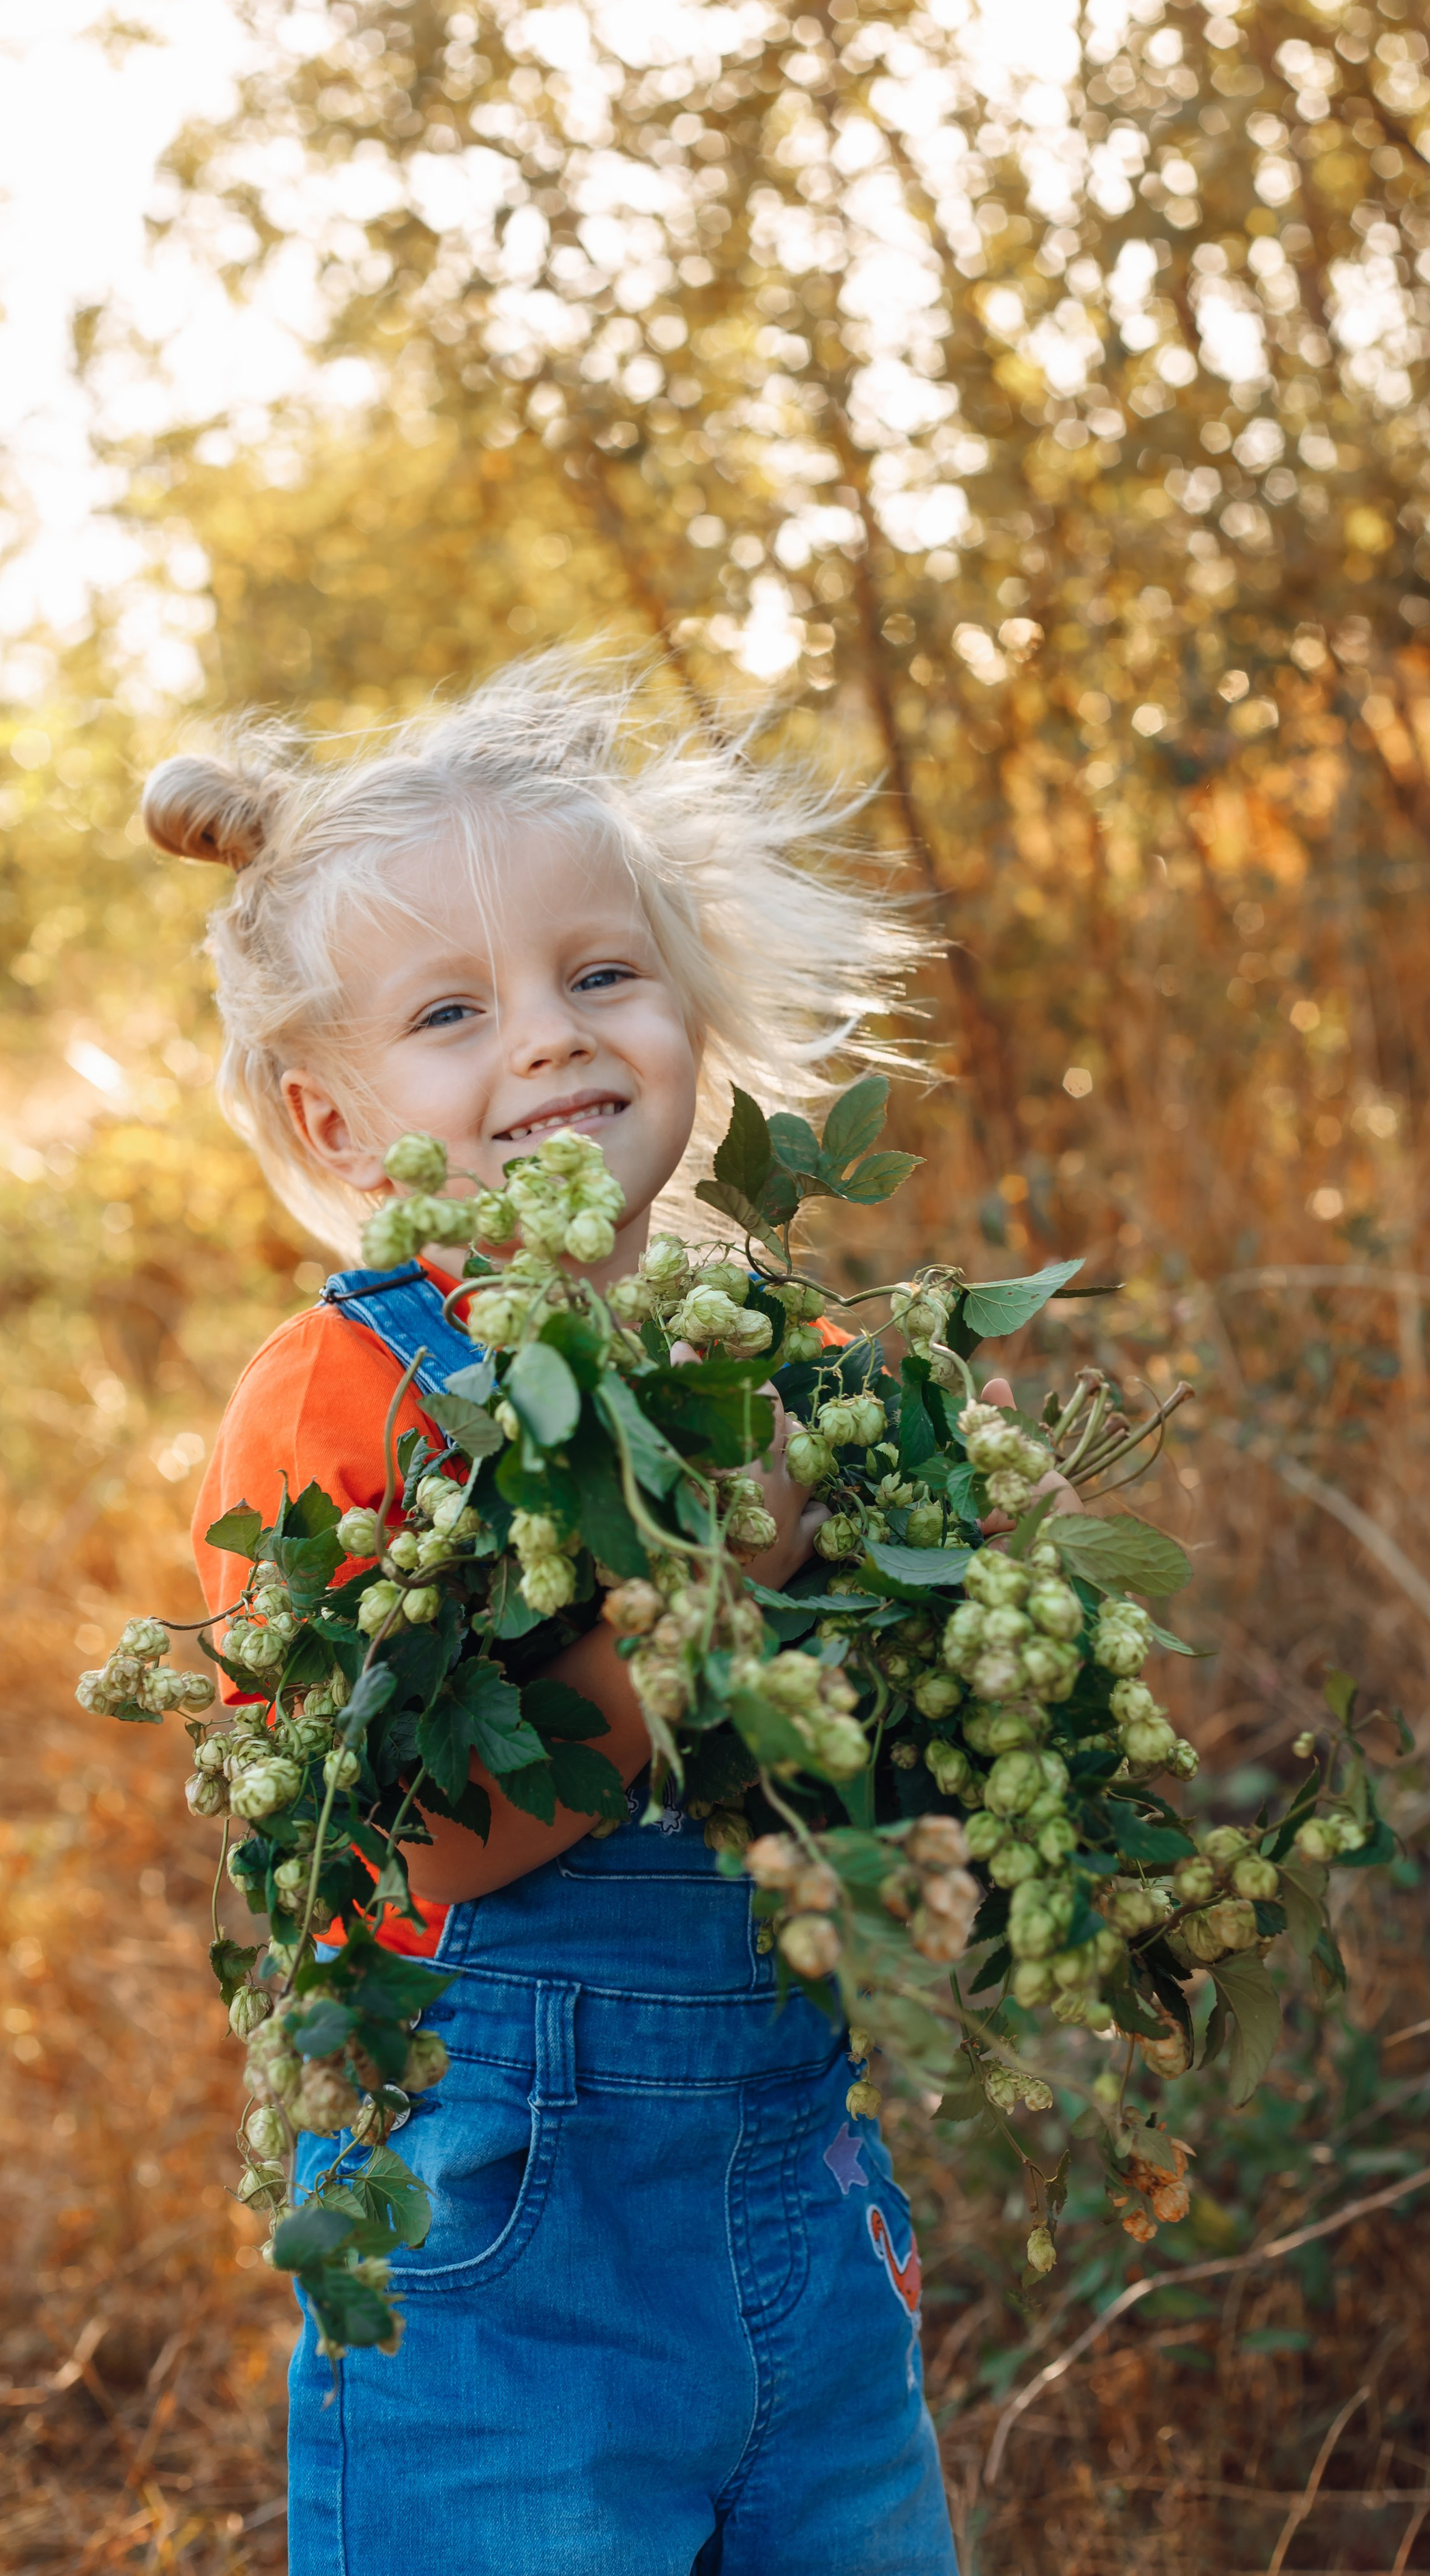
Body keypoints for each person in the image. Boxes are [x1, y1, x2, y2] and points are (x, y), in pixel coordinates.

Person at [150, 658, 961, 2576]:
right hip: (508, 2252)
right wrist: (704, 1577)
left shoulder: (795, 1366)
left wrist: (945, 1560)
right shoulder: (348, 1402)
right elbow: (438, 1837)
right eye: (453, 1013)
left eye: (603, 975)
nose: (550, 1042)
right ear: (335, 1122)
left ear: (686, 1009)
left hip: (800, 2234)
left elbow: (885, 1758)